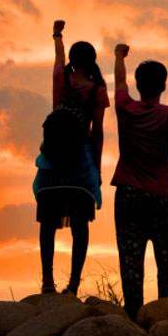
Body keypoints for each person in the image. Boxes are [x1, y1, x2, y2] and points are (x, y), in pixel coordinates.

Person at [111, 44, 168, 321]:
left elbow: (119, 81)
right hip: (161, 197)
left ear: (138, 85)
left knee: (130, 260)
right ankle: (165, 317)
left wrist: (119, 56)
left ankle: (134, 316)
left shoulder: (125, 108)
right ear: (164, 85)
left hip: (128, 195)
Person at [33, 19, 108, 295]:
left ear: (72, 62)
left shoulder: (61, 79)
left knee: (47, 221)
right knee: (80, 224)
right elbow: (97, 132)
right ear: (93, 61)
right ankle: (74, 284)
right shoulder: (97, 90)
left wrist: (57, 35)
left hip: (52, 159)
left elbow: (58, 60)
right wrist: (97, 169)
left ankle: (47, 282)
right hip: (80, 161)